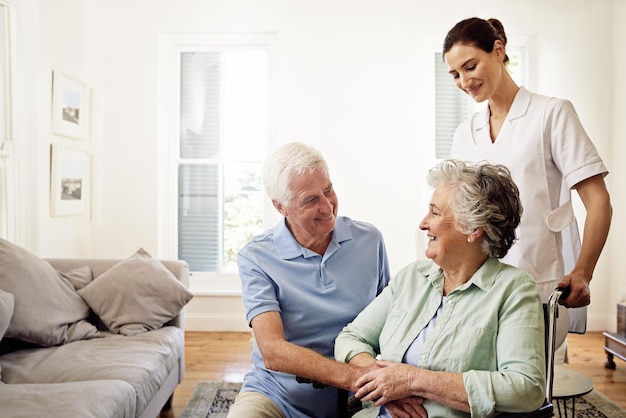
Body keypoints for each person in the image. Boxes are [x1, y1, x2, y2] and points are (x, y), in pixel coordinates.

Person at [335, 159, 546, 418]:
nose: (424, 223)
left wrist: (415, 380)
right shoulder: (412, 278)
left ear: (473, 228)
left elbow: (526, 389)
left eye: (435, 213)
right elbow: (351, 338)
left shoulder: (513, 290)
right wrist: (384, 384)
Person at [442, 18, 612, 332]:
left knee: (530, 377)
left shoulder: (552, 113)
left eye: (470, 66)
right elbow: (458, 213)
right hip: (477, 285)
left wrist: (583, 271)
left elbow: (598, 201)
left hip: (537, 280)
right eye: (455, 74)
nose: (464, 81)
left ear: (498, 50)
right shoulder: (464, 133)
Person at [228, 142, 398, 418]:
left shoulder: (369, 240)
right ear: (281, 207)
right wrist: (354, 377)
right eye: (310, 199)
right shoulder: (257, 257)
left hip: (359, 398)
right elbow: (272, 351)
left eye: (328, 190)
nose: (327, 206)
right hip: (278, 395)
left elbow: (389, 325)